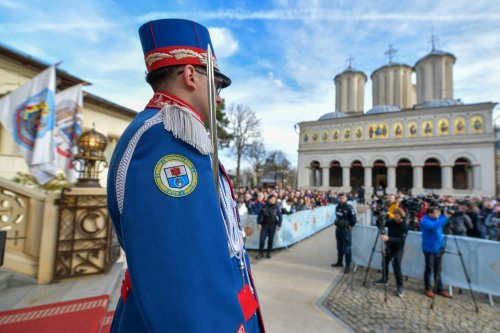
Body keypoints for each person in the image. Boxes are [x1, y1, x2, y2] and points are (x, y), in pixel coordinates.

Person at [106, 19, 265, 332]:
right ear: (192, 75)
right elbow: (185, 274)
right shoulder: (164, 139)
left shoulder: (177, 134)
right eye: (216, 85)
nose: (219, 97)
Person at [373, 208, 408, 297]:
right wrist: (379, 219)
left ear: (401, 216)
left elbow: (401, 239)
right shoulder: (392, 221)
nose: (395, 217)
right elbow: (380, 226)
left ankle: (400, 286)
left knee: (396, 266)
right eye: (394, 215)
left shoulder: (404, 225)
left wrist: (389, 238)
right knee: (384, 262)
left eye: (397, 215)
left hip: (398, 248)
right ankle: (384, 279)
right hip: (389, 246)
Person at [420, 206, 452, 299]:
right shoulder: (425, 221)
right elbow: (433, 226)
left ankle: (439, 288)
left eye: (438, 212)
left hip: (438, 248)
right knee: (429, 269)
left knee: (438, 270)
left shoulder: (437, 219)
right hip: (429, 249)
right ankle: (427, 288)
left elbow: (440, 229)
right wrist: (445, 217)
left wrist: (442, 246)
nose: (438, 214)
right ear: (429, 214)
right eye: (435, 212)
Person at [331, 193, 357, 273]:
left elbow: (354, 220)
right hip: (338, 229)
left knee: (347, 248)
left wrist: (350, 226)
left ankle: (348, 265)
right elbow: (337, 217)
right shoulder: (337, 207)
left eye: (343, 198)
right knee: (339, 247)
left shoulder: (349, 207)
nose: (341, 199)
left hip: (346, 230)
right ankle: (339, 262)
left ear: (346, 199)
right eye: (340, 198)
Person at [257, 194, 282, 259]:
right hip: (264, 225)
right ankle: (261, 253)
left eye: (274, 199)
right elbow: (259, 215)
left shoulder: (276, 207)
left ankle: (268, 253)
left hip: (272, 225)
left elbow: (280, 216)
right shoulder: (264, 206)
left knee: (270, 240)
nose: (273, 200)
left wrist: (279, 224)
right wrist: (259, 223)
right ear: (269, 199)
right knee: (262, 240)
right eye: (272, 199)